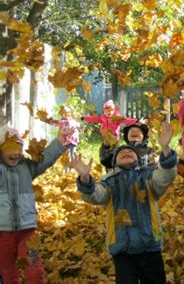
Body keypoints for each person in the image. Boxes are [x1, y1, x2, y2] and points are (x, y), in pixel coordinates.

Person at [73, 122, 177, 284]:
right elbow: (95, 196)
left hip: (150, 245)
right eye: (122, 152)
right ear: (114, 163)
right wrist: (86, 179)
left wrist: (165, 149)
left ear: (138, 158)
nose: (126, 152)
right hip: (122, 249)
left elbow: (166, 177)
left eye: (130, 151)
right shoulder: (109, 181)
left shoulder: (148, 177)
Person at [0, 124, 71, 284]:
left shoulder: (27, 167)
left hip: (28, 232)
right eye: (9, 148)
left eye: (18, 147)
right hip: (2, 232)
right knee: (7, 270)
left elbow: (45, 160)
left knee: (33, 267)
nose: (15, 153)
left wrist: (59, 142)